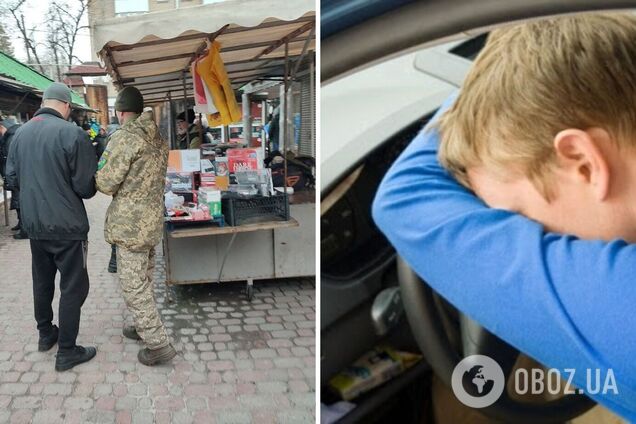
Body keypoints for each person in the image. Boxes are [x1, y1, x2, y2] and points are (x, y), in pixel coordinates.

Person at [373, 14, 636, 420]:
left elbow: (403, 197)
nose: (516, 236)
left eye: (517, 217)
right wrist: (531, 63)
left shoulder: (621, 304)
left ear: (583, 163)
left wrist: (514, 72)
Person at [5, 82, 97, 371]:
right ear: (66, 106)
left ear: (44, 102)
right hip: (68, 227)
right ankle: (67, 351)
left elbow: (11, 179)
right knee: (73, 286)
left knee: (42, 281)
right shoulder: (73, 134)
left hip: (35, 225)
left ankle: (46, 335)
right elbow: (86, 188)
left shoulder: (19, 135)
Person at [96, 86, 177, 365]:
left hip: (130, 226)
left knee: (133, 285)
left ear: (120, 112)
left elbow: (106, 183)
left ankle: (158, 344)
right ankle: (141, 325)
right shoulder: (157, 136)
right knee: (144, 278)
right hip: (152, 222)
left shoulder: (125, 138)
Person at [0, 116, 26, 239]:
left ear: (3, 127)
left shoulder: (10, 139)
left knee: (19, 201)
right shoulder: (13, 135)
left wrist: (10, 177)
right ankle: (21, 224)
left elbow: (11, 160)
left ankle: (24, 229)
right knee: (17, 201)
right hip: (17, 175)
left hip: (16, 176)